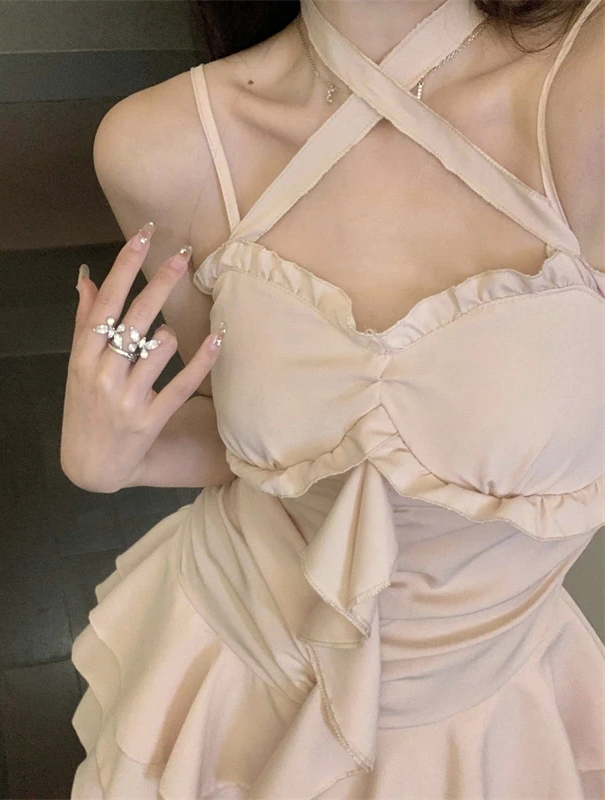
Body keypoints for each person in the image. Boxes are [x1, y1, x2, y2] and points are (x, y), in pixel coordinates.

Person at [61, 0, 605, 796]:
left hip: (491, 719)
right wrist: (119, 463)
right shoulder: (164, 143)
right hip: (237, 679)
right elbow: (255, 447)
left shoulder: (587, 82)